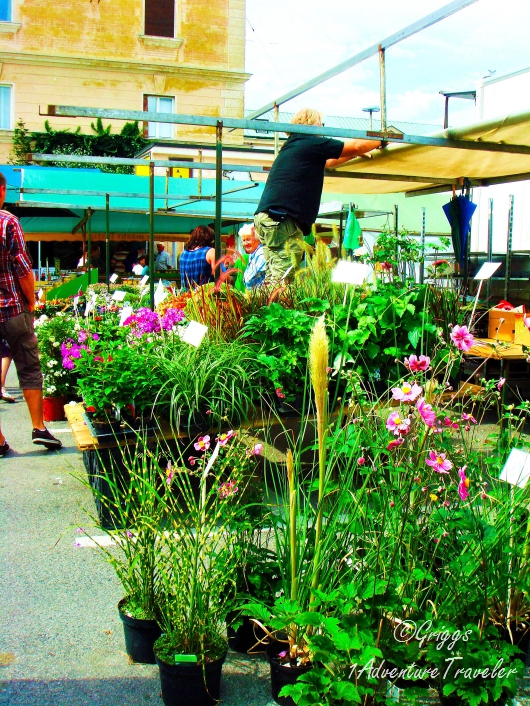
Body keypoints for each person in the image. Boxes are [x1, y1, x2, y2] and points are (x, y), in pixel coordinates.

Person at [254, 107, 381, 284]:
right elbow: (356, 145)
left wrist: (355, 153)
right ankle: (272, 308)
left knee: (273, 278)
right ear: (313, 124)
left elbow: (328, 162)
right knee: (281, 282)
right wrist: (381, 140)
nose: (323, 128)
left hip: (269, 218)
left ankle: (263, 308)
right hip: (282, 220)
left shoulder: (293, 146)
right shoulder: (310, 142)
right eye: (321, 124)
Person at [0, 171, 62, 455]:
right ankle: (38, 427)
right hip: (12, 308)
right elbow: (23, 269)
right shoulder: (7, 222)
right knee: (28, 367)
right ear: (2, 192)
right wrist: (32, 302)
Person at [239, 223, 266, 289]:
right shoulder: (253, 254)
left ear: (257, 239)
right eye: (243, 240)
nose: (245, 243)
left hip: (261, 296)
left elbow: (249, 280)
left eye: (248, 239)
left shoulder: (261, 254)